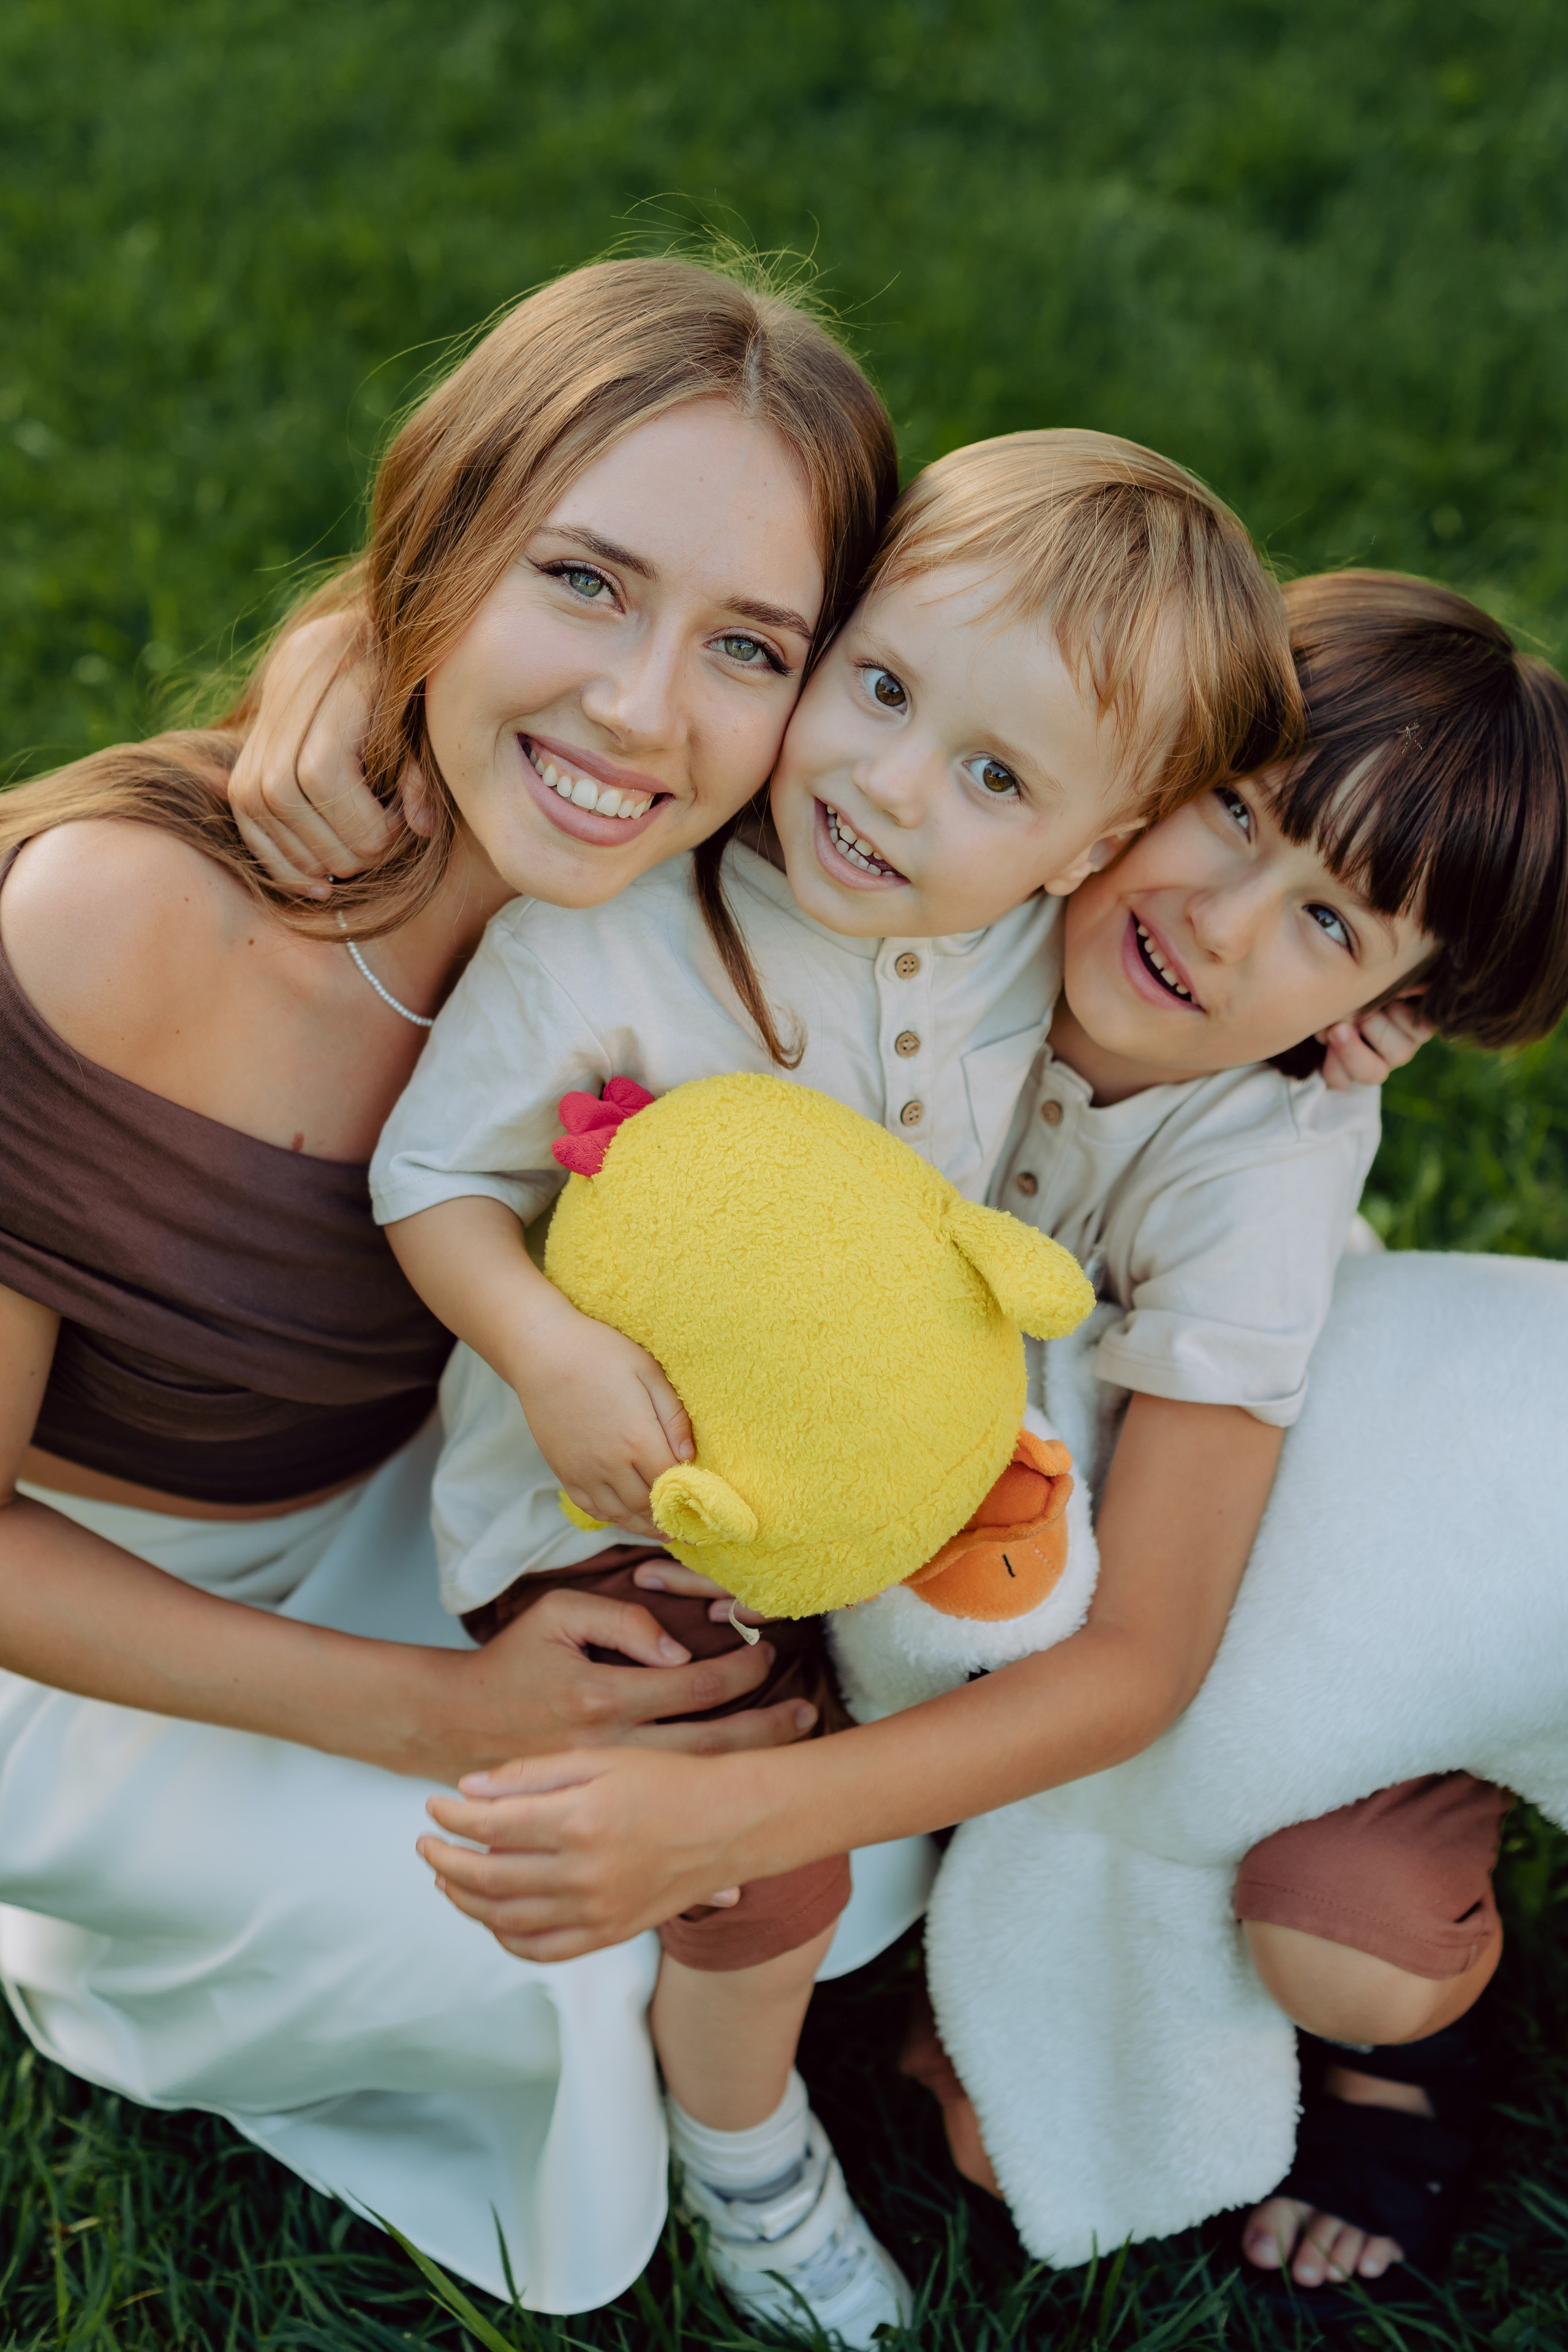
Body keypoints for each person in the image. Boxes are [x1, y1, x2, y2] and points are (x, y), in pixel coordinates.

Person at [412, 570, 1567, 2315]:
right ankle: (781, 2119)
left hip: (1259, 1561)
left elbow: (1144, 1667)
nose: (1226, 923)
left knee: (1350, 1941)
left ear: (1380, 1015)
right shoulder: (950, 884)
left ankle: (1409, 2049)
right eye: (1233, 813)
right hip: (953, 1539)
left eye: (1331, 929)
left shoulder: (1262, 1151)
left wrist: (732, 1813)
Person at [0, 252, 915, 2312]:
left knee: (768, 1802)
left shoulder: (720, 903)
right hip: (82, 1644)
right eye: (581, 581)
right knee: (538, 1939)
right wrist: (441, 1714)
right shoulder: (121, 930)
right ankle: (113, 1954)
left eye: (748, 644)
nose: (641, 711)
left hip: (432, 1508)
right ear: (436, 544)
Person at [366, 427, 1307, 2345]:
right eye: (876, 689)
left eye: (991, 777)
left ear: (1090, 848)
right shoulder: (607, 941)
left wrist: (1347, 1014)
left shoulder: (1026, 960)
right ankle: (751, 2154)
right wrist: (548, 1350)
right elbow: (433, 1179)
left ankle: (1017, 1990)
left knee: (1039, 1697)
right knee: (758, 1828)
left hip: (888, 1491)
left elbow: (1212, 1047)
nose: (884, 785)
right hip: (619, 1503)